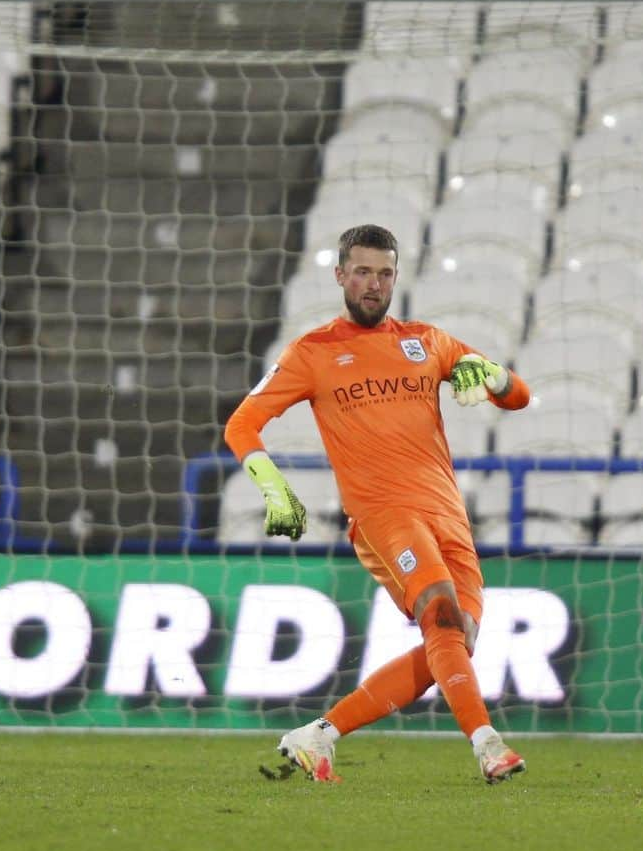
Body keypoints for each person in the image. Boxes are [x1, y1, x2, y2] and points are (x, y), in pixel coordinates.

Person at [224, 224, 532, 784]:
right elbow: (242, 423)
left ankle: (318, 735)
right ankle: (488, 745)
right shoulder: (312, 352)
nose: (373, 284)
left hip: (447, 515)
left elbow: (519, 397)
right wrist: (272, 486)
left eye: (384, 273)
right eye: (362, 272)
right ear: (340, 275)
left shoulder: (428, 341)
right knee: (439, 610)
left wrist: (489, 372)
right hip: (382, 517)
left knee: (453, 642)